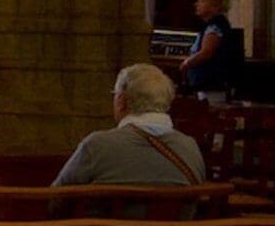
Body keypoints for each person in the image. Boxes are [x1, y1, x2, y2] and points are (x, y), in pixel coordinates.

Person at [53, 63, 206, 186]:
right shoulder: (190, 147)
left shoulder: (97, 146)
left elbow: (55, 201)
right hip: (175, 224)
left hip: (105, 225)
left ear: (121, 101)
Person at [177, 0, 245, 100]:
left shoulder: (215, 26)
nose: (197, 4)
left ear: (215, 6)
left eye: (202, 1)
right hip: (205, 84)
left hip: (213, 84)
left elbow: (206, 52)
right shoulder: (208, 26)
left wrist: (187, 63)